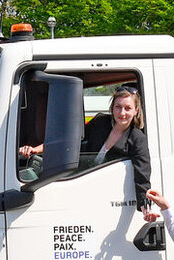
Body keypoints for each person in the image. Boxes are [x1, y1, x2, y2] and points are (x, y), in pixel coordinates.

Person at [18, 85, 152, 211]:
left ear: (136, 110)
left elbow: (142, 176)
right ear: (112, 108)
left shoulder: (138, 139)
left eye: (127, 108)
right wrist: (36, 150)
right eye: (118, 107)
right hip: (82, 183)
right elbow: (70, 141)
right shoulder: (100, 122)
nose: (122, 112)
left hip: (108, 196)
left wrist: (145, 207)